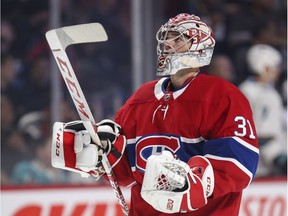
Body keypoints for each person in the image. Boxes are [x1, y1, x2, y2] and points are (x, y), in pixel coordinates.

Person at [51, 13, 259, 215]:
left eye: (178, 39)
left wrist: (197, 183)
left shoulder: (222, 96)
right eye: (166, 38)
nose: (168, 44)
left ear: (199, 48)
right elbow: (125, 172)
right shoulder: (141, 98)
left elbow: (240, 164)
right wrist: (102, 155)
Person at [239, 44, 287, 177]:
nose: (278, 70)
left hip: (257, 165)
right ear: (264, 67)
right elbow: (264, 134)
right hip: (264, 168)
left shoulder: (253, 89)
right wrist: (279, 159)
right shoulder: (260, 94)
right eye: (274, 67)